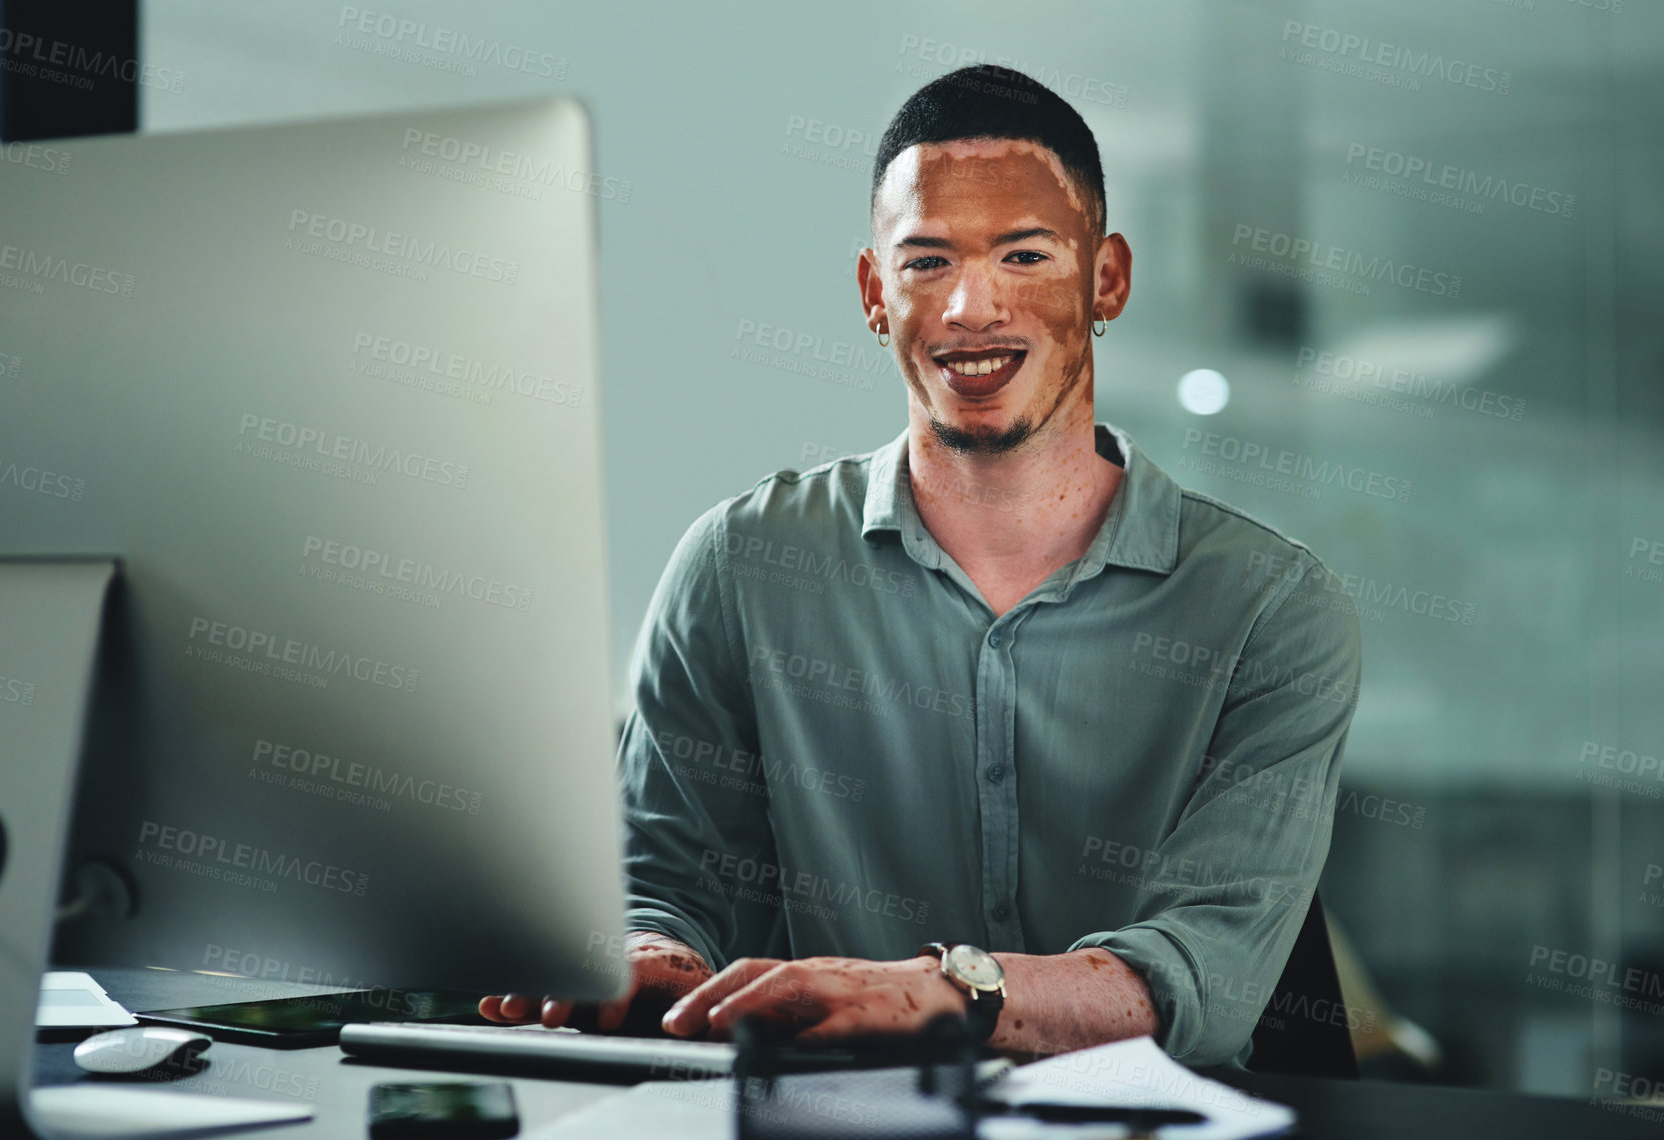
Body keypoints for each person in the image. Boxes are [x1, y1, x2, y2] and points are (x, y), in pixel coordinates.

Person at [482, 63, 1361, 1067]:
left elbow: (1199, 971)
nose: (966, 307)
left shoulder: (1271, 611)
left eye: (1023, 255)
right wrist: (643, 954)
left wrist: (943, 991)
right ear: (871, 291)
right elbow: (663, 878)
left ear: (1105, 276)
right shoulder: (737, 567)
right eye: (924, 262)